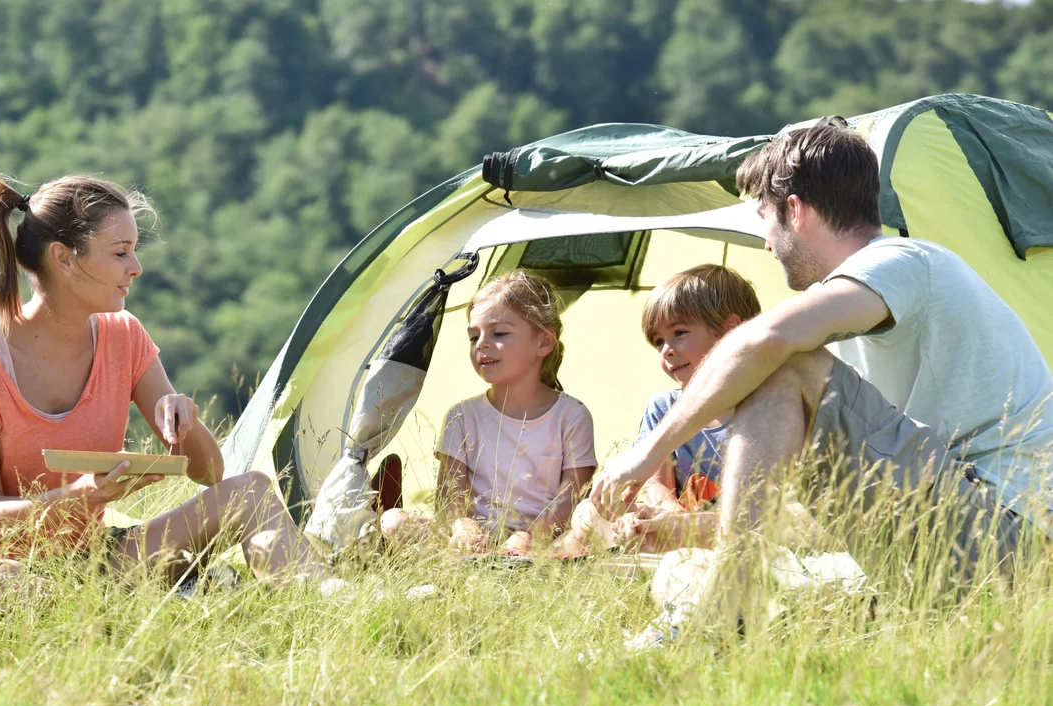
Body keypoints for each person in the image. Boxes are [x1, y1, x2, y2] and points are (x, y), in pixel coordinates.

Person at [592, 125, 1053, 627]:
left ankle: (727, 606)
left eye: (764, 219)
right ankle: (733, 610)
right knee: (683, 570)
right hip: (950, 543)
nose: (766, 244)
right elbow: (821, 516)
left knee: (780, 364)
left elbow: (764, 341)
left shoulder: (903, 261)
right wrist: (692, 532)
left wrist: (646, 454)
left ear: (796, 210)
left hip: (1014, 539)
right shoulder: (848, 337)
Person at [0, 174, 327, 598]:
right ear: (63, 258)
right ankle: (172, 595)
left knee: (250, 492)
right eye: (120, 253)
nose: (135, 267)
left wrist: (185, 421)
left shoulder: (124, 336)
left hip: (94, 560)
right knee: (4, 587)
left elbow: (211, 473)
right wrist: (79, 495)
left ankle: (324, 602)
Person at [380, 270, 597, 554]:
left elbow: (571, 501)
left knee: (588, 525)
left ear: (543, 343)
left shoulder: (572, 415)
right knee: (393, 521)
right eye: (473, 336)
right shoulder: (462, 415)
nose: (481, 344)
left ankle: (514, 561)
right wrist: (463, 526)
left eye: (499, 333)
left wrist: (527, 539)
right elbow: (450, 500)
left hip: (542, 543)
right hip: (474, 542)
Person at [559, 264, 761, 555]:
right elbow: (655, 484)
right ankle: (642, 545)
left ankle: (647, 552)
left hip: (730, 529)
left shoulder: (767, 405)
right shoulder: (663, 407)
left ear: (730, 330)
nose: (666, 349)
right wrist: (669, 513)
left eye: (679, 332)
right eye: (658, 342)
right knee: (586, 513)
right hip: (674, 522)